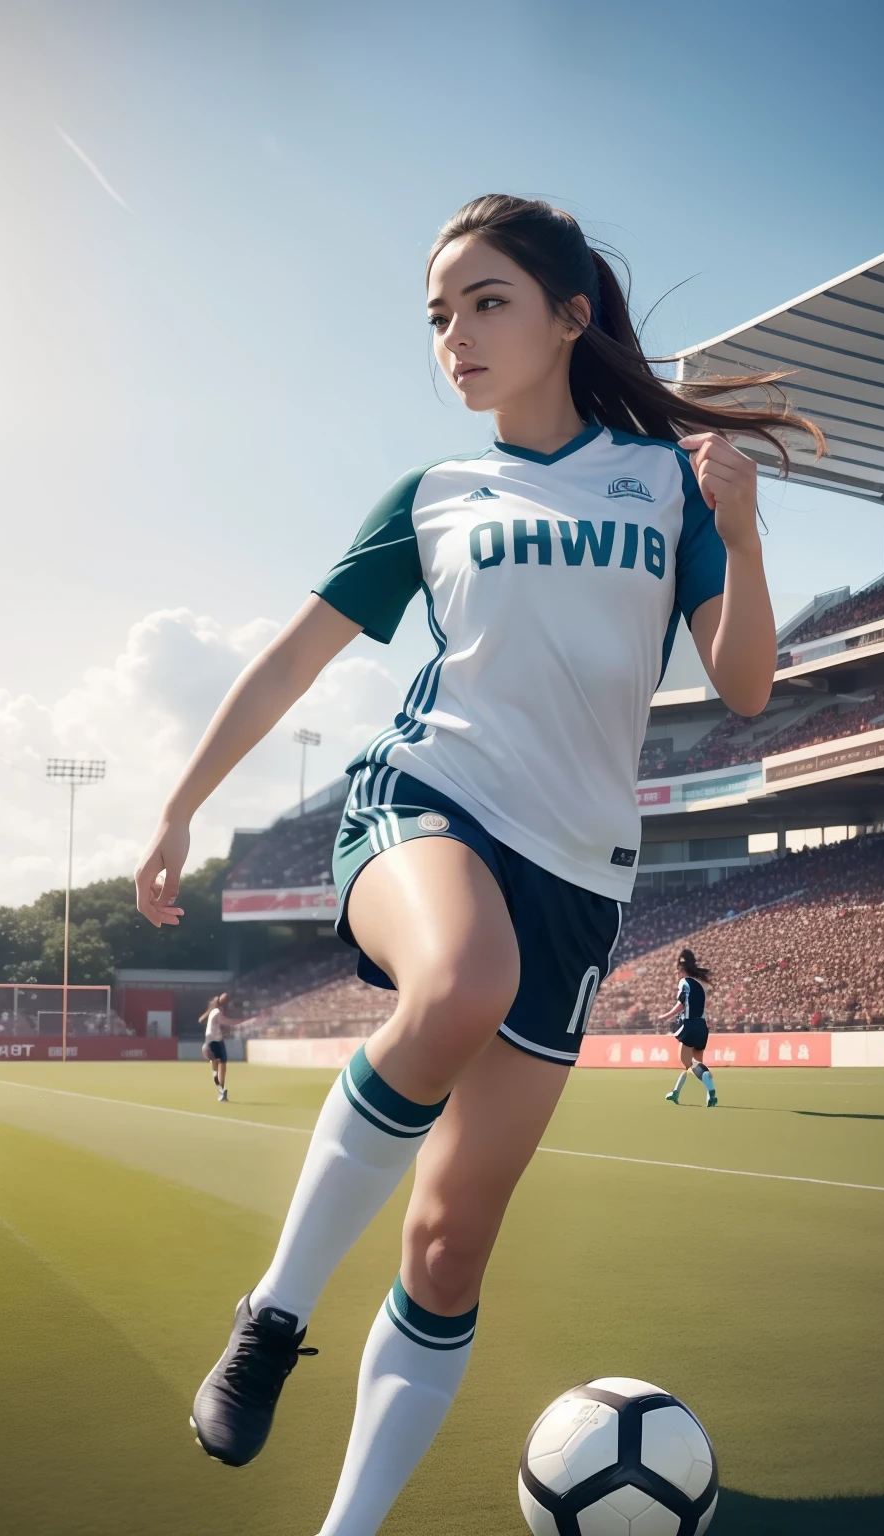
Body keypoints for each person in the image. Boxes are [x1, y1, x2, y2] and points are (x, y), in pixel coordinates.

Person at [134, 193, 820, 1535]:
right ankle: (272, 1316)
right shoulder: (433, 497)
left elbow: (743, 688)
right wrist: (177, 809)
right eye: (439, 314)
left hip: (579, 876)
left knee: (446, 1252)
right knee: (454, 984)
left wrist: (738, 539)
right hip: (425, 801)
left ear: (572, 316)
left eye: (486, 301)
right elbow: (292, 658)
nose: (454, 333)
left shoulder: (666, 482)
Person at [659, 948, 717, 1107]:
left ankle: (712, 1089)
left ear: (682, 969)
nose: (676, 973)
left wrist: (666, 1016)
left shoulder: (684, 982)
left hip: (690, 1025)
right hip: (702, 1027)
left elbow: (681, 1003)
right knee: (696, 1065)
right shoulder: (701, 984)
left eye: (677, 970)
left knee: (688, 1062)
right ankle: (676, 1092)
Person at [199, 992, 231, 1101]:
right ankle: (222, 1090)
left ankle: (221, 1090)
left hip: (213, 1041)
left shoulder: (215, 1011)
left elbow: (202, 1019)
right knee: (220, 1066)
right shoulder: (218, 1011)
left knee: (215, 1069)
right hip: (216, 1041)